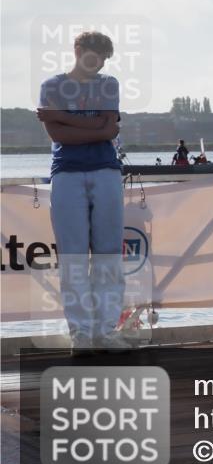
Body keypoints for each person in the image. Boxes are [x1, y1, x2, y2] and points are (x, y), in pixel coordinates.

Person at [36, 30, 126, 352]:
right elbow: (59, 137)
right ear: (77, 50)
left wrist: (62, 116)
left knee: (108, 255)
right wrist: (96, 128)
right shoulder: (52, 86)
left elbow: (110, 130)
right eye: (93, 55)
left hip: (107, 171)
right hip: (66, 174)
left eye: (103, 58)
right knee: (73, 257)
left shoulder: (108, 84)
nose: (98, 62)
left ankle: (105, 332)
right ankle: (82, 335)